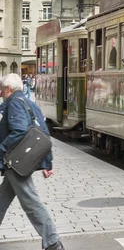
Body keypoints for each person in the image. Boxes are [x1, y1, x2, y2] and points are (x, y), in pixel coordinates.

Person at [0, 74, 64, 250]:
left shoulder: (13, 103)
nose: (0, 92)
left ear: (8, 89)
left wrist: (1, 149)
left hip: (15, 161)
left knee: (31, 202)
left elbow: (19, 131)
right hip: (21, 161)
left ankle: (52, 242)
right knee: (2, 198)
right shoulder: (30, 103)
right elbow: (44, 134)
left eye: (1, 89)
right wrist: (47, 163)